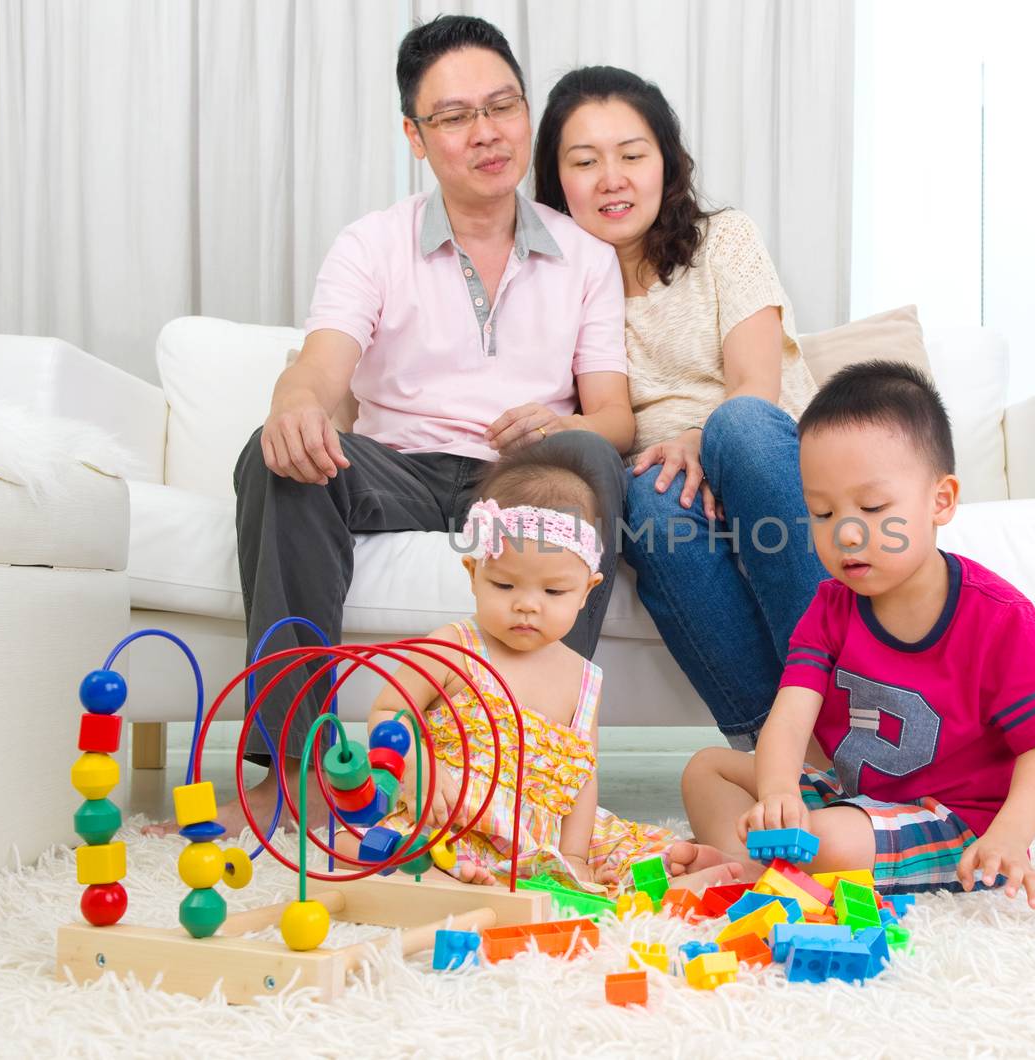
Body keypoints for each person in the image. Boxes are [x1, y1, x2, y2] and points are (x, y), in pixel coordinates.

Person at [229, 17, 635, 830]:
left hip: (524, 476)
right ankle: (301, 767)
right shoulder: (370, 245)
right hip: (402, 467)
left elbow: (617, 416)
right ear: (416, 136)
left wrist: (566, 430)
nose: (487, 133)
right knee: (279, 458)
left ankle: (533, 760)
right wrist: (294, 402)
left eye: (503, 106)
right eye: (454, 117)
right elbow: (321, 365)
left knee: (590, 459)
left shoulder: (585, 255)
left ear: (527, 112)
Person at [680, 362, 1035, 906]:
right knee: (707, 769)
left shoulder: (1000, 617)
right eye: (822, 513)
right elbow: (791, 717)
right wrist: (777, 796)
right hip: (857, 797)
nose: (845, 532)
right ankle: (748, 866)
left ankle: (754, 867)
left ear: (940, 501)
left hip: (953, 821)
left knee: (828, 840)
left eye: (872, 508)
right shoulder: (829, 608)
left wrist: (1009, 836)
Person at [533, 66, 826, 750]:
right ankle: (784, 755)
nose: (612, 178)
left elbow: (757, 384)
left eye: (633, 155)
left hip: (762, 454)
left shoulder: (725, 240)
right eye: (585, 161)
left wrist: (700, 438)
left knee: (739, 427)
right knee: (650, 499)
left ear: (667, 163)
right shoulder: (553, 290)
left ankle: (841, 699)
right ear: (555, 182)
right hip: (665, 484)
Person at [364, 447, 742, 893]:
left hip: (548, 833)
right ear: (472, 574)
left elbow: (582, 776)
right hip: (459, 812)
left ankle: (673, 869)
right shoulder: (453, 647)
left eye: (554, 590)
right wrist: (416, 763)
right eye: (504, 585)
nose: (527, 603)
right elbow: (388, 711)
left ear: (586, 591)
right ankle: (469, 876)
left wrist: (577, 856)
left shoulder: (582, 679)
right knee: (402, 851)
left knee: (619, 847)